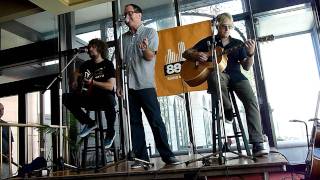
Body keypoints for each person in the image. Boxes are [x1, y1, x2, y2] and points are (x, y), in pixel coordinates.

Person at [182, 12, 268, 157]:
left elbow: (246, 67)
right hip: (218, 75)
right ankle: (227, 109)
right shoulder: (209, 41)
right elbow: (186, 53)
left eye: (229, 27)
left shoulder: (237, 43)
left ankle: (257, 143)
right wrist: (197, 55)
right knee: (215, 76)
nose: (227, 29)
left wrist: (251, 54)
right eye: (224, 26)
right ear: (218, 26)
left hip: (236, 75)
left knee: (251, 100)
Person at [117, 3, 180, 168]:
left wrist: (145, 49)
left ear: (139, 15)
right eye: (125, 14)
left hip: (145, 85)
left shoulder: (150, 32)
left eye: (129, 13)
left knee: (155, 121)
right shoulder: (122, 39)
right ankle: (141, 158)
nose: (126, 17)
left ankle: (168, 156)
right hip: (127, 86)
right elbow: (118, 64)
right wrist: (119, 84)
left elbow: (150, 56)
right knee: (134, 124)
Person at [63, 38, 116, 148]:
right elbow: (75, 73)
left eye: (93, 46)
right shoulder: (86, 64)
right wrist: (74, 81)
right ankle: (89, 123)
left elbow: (110, 86)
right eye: (89, 46)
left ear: (100, 48)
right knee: (66, 97)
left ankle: (110, 133)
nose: (89, 48)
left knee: (110, 99)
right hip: (89, 97)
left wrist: (93, 82)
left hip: (104, 99)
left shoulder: (108, 64)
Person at [0, 103, 14, 179]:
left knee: (6, 177)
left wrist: (10, 154)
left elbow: (10, 141)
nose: (1, 111)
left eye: (2, 109)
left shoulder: (5, 124)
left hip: (4, 158)